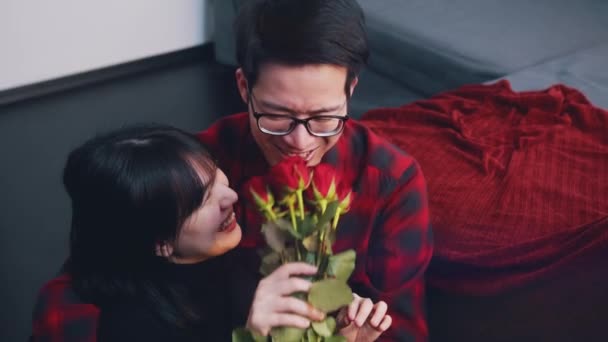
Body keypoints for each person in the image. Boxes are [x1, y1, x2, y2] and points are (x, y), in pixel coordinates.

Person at [197, 0, 434, 341]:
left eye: (323, 117)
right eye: (277, 116)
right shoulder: (202, 168)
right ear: (243, 88)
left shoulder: (392, 182)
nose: (299, 141)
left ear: (350, 90)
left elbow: (406, 332)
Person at [31, 124, 392, 341]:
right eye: (203, 199)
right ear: (160, 243)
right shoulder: (131, 325)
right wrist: (253, 335)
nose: (232, 196)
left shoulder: (236, 257)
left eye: (217, 175)